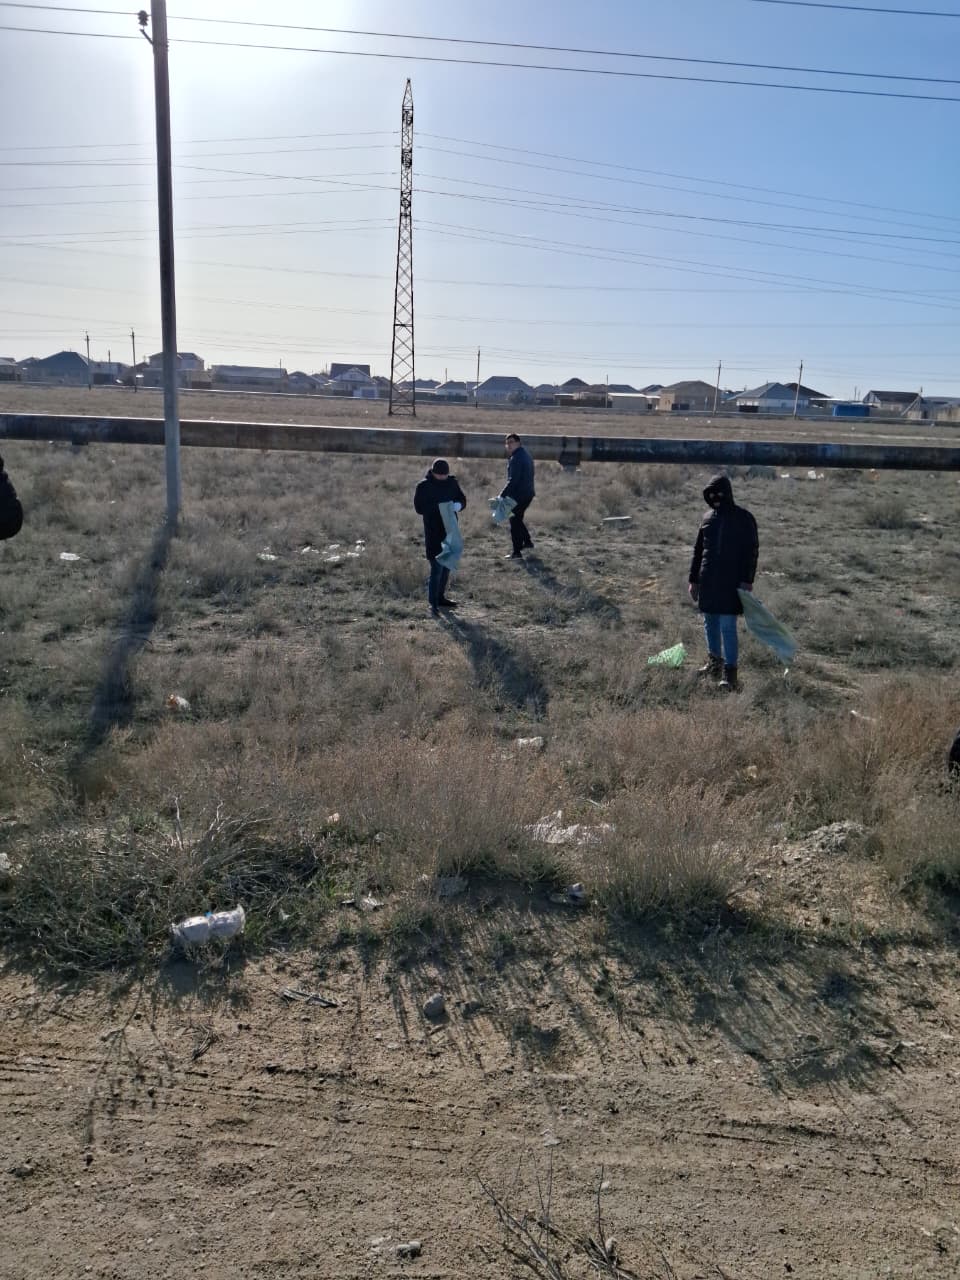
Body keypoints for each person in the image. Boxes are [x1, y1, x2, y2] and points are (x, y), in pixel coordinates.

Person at [688, 474, 759, 691]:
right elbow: (698, 551)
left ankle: (730, 675)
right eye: (710, 495)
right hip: (708, 580)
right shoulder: (707, 519)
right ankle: (714, 665)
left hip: (731, 582)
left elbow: (751, 552)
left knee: (728, 626)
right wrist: (693, 580)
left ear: (728, 493)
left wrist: (747, 580)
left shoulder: (744, 518)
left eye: (719, 494)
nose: (715, 498)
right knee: (709, 622)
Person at [413, 458, 466, 616]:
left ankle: (441, 598)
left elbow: (462, 499)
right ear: (433, 472)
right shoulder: (423, 486)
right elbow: (419, 508)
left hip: (450, 529)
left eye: (445, 475)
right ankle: (433, 604)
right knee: (436, 568)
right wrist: (439, 507)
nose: (442, 477)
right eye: (439, 475)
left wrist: (458, 505)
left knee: (447, 566)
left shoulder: (452, 483)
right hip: (433, 531)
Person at [500, 433, 535, 560]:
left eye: (511, 442)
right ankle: (528, 542)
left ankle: (516, 553)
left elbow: (513, 480)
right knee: (517, 519)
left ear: (518, 443)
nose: (509, 445)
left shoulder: (516, 458)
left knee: (514, 521)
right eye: (507, 443)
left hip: (520, 495)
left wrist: (502, 495)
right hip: (527, 493)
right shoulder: (524, 454)